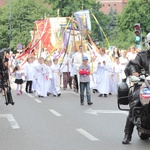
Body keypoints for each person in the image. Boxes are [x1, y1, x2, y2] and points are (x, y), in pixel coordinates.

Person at [122, 33, 150, 144]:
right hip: (144, 84)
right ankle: (127, 134)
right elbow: (132, 65)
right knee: (135, 104)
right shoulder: (141, 55)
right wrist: (134, 71)